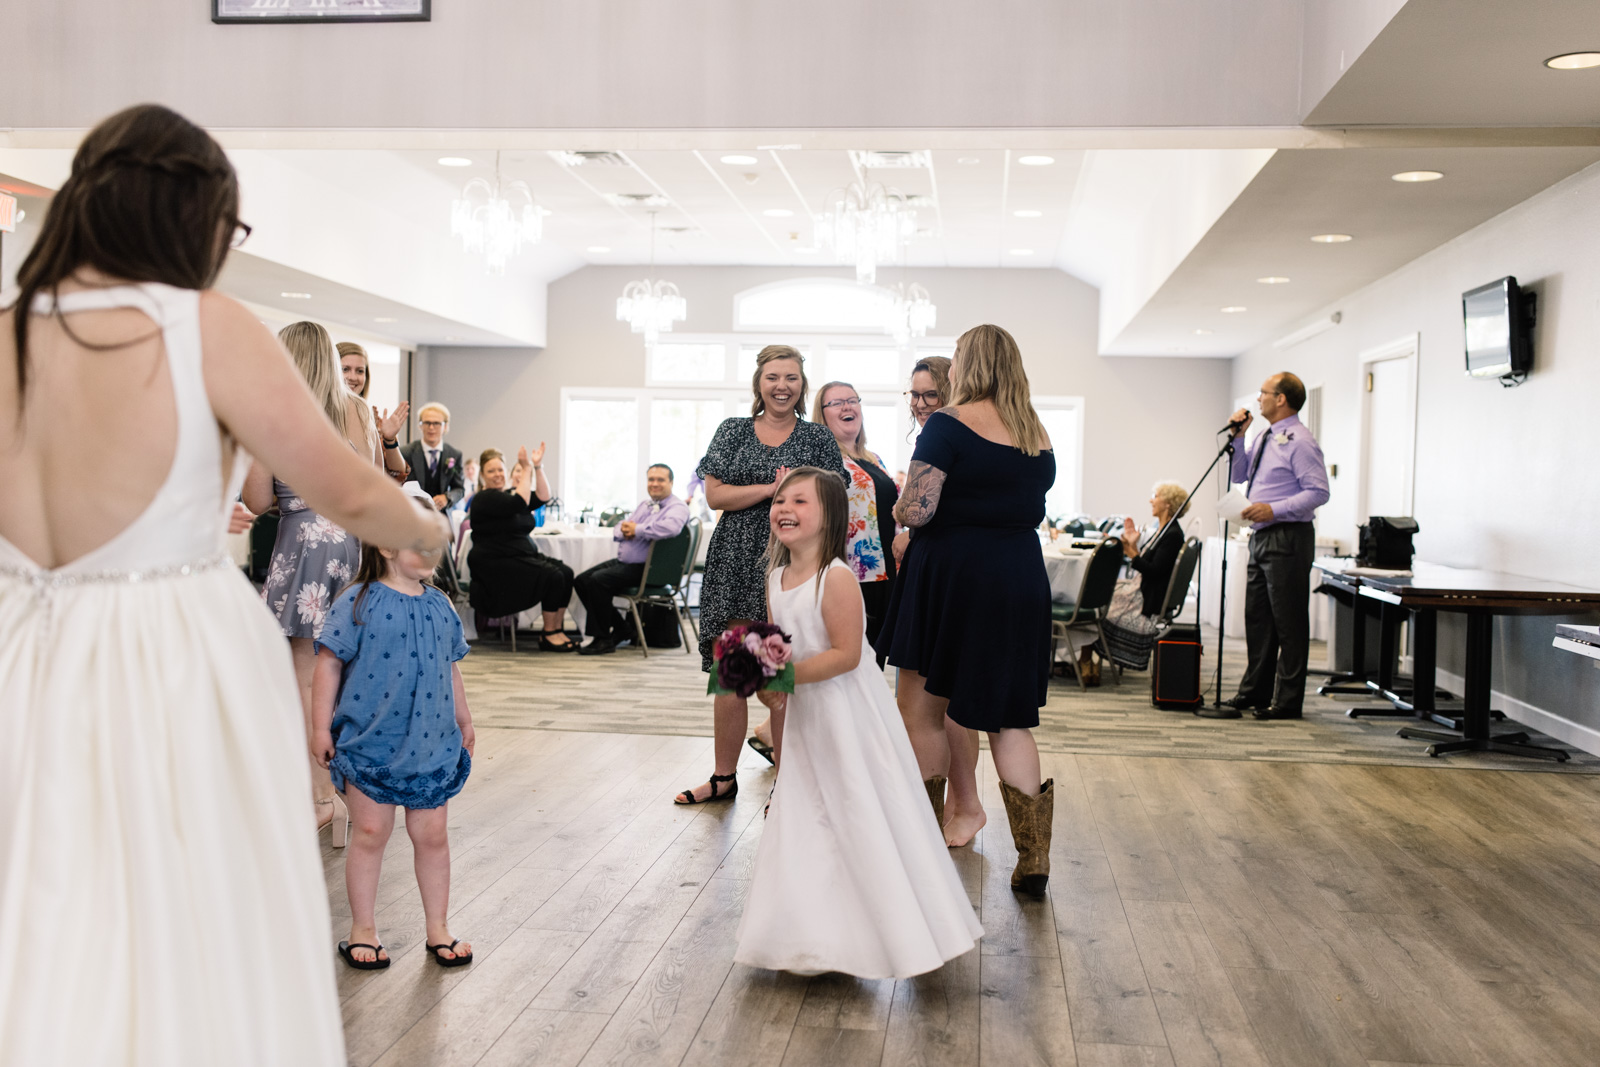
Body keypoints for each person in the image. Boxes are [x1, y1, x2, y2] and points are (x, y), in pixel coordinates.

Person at [0, 103, 448, 1065]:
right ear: (192, 211)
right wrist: (429, 524)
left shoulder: (5, 332)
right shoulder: (200, 323)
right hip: (163, 651)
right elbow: (346, 489)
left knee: (42, 888)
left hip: (16, 651)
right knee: (183, 907)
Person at [734, 468, 981, 977]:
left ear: (829, 517)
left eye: (799, 501)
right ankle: (811, 935)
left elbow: (847, 656)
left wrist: (786, 676)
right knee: (807, 808)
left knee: (857, 803)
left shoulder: (836, 577)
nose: (784, 508)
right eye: (780, 500)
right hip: (807, 716)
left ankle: (893, 929)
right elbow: (780, 645)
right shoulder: (774, 579)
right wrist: (765, 682)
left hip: (848, 714)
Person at [877, 324, 1057, 896]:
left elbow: (918, 510)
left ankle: (925, 839)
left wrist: (899, 502)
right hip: (1019, 575)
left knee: (922, 708)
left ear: (967, 364)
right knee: (1010, 719)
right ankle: (1034, 855)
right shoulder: (1036, 432)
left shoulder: (946, 425)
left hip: (953, 575)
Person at [245, 320, 405, 842]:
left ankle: (319, 797)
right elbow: (373, 482)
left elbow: (258, 501)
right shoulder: (357, 410)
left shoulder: (271, 410)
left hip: (304, 548)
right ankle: (354, 787)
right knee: (354, 673)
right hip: (353, 545)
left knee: (305, 679)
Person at [675, 345, 848, 805]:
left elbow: (833, 498)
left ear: (801, 385)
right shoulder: (732, 431)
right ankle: (723, 778)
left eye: (791, 377)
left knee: (783, 677)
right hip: (733, 562)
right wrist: (776, 488)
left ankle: (790, 783)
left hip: (793, 563)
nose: (782, 386)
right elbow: (715, 495)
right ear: (759, 384)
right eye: (773, 377)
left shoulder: (816, 438)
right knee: (731, 675)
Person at [311, 497, 475, 971]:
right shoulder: (357, 602)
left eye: (436, 543)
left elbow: (452, 669)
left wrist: (464, 718)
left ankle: (438, 927)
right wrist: (320, 726)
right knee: (369, 832)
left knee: (433, 835)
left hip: (430, 743)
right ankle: (363, 927)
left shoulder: (441, 605)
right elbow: (328, 665)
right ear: (384, 543)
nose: (429, 552)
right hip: (371, 743)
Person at [1207, 372, 1330, 720]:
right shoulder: (1263, 434)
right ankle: (1254, 692)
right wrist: (1239, 439)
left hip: (1288, 536)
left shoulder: (1300, 441)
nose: (1257, 398)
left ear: (1281, 399)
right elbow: (1240, 475)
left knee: (1288, 622)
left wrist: (1273, 509)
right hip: (1260, 536)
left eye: (1264, 393)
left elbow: (1318, 492)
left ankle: (1288, 702)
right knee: (1258, 619)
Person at [466, 445, 577, 650]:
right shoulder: (485, 498)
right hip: (495, 564)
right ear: (482, 475)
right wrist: (525, 469)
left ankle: (556, 629)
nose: (497, 475)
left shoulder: (508, 495)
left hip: (519, 557)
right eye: (491, 471)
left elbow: (544, 497)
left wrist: (537, 466)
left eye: (500, 469)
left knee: (566, 572)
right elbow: (520, 502)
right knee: (553, 576)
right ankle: (549, 633)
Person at [574, 463, 689, 655]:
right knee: (581, 580)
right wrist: (625, 530)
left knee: (597, 581)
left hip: (649, 569)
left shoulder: (677, 507)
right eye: (651, 479)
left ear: (671, 482)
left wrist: (638, 529)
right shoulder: (645, 505)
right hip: (627, 563)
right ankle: (623, 628)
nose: (654, 484)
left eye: (660, 479)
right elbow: (621, 525)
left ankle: (602, 639)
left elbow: (671, 528)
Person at [1089, 481, 1190, 678]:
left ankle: (1085, 663)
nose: (1151, 500)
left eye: (1156, 496)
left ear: (1168, 503)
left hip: (1147, 598)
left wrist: (1132, 553)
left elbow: (1152, 571)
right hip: (1144, 589)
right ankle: (1085, 662)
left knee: (1096, 602)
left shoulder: (1172, 535)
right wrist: (1132, 547)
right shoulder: (1164, 530)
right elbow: (1148, 566)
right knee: (1098, 594)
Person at [402, 402, 465, 512]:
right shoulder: (406, 453)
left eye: (436, 423)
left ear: (445, 426)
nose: (431, 428)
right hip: (413, 513)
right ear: (420, 425)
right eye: (427, 423)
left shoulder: (454, 455)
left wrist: (446, 498)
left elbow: (459, 489)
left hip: (441, 515)